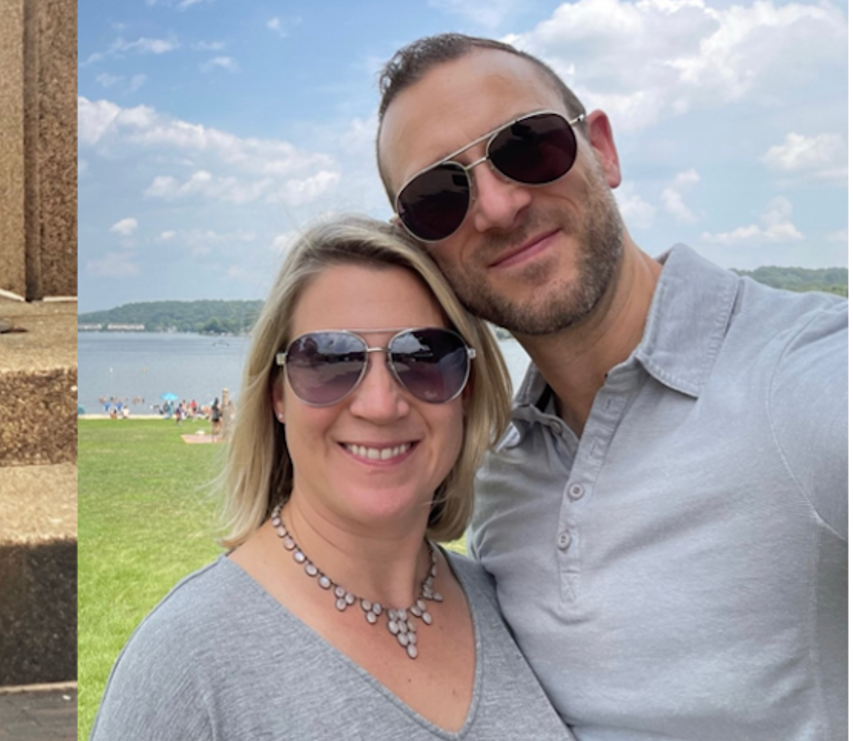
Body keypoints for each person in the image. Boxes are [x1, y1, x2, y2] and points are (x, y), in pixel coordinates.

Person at [375, 33, 848, 740]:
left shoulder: (802, 375)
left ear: (603, 149)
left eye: (526, 146)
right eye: (441, 195)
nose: (498, 207)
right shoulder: (501, 472)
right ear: (420, 246)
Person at [91, 216, 572, 740]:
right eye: (330, 361)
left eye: (424, 358)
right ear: (278, 395)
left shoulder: (509, 603)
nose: (381, 405)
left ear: (468, 390)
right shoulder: (183, 664)